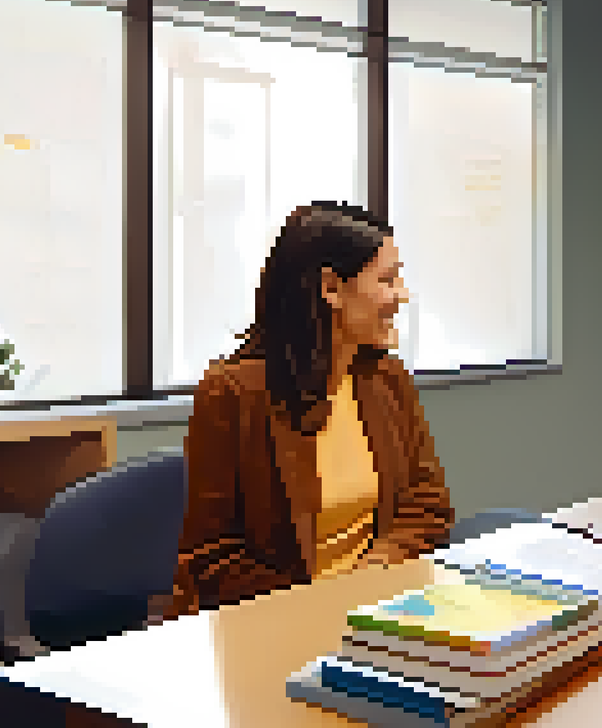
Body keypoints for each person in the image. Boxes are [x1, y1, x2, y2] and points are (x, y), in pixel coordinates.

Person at [163, 202, 453, 618]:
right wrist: (320, 603)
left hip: (375, 613)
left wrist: (377, 568)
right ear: (331, 288)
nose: (401, 295)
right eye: (387, 280)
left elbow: (428, 503)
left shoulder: (387, 379)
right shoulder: (232, 394)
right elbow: (211, 558)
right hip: (271, 623)